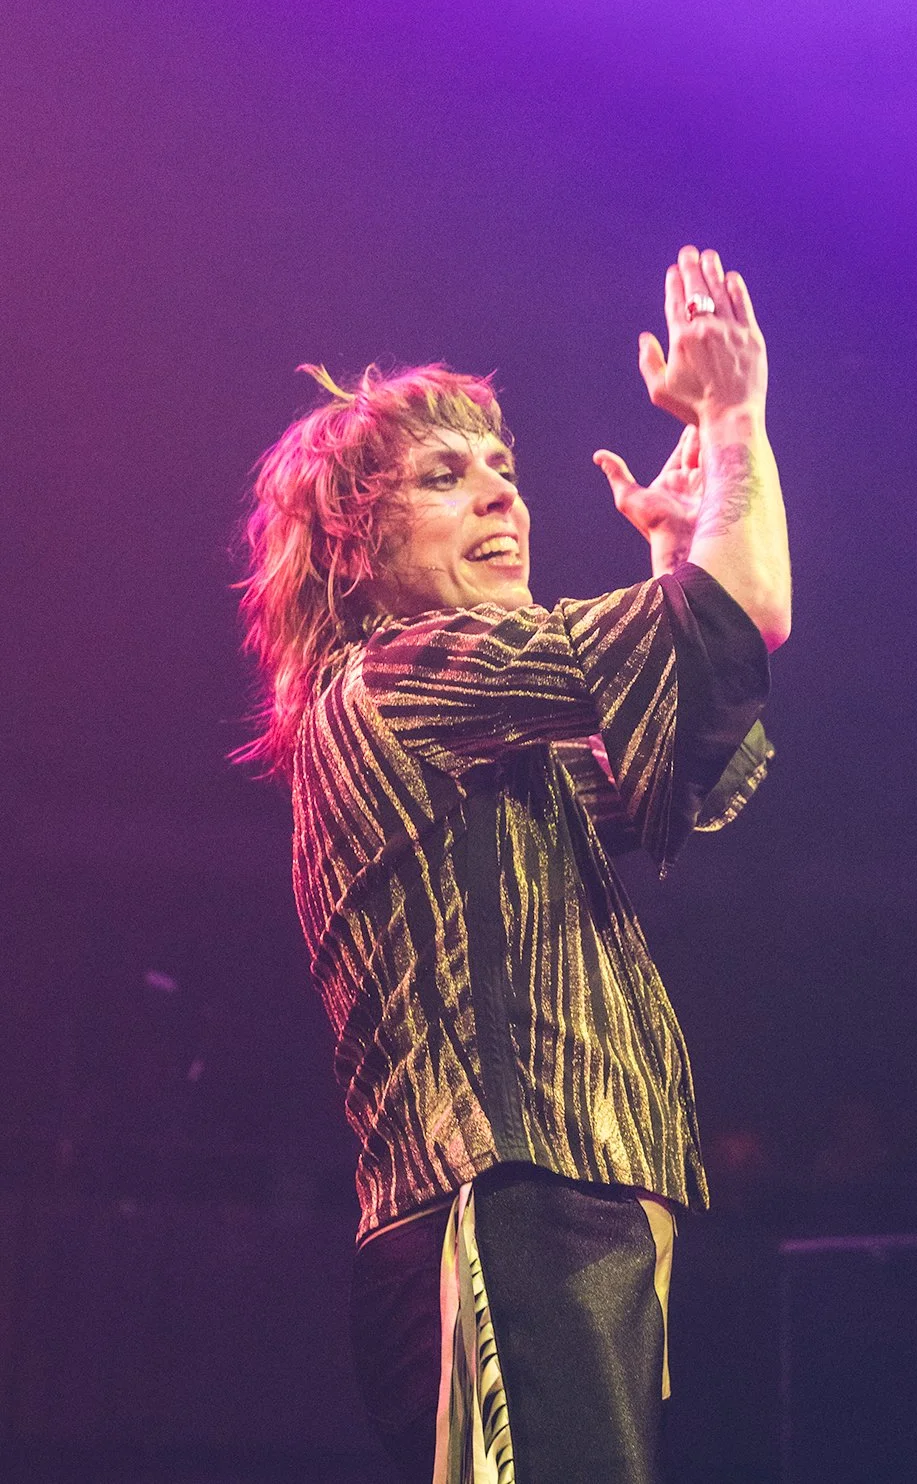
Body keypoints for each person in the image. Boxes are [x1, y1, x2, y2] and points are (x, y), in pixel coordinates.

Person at [236, 246, 791, 1484]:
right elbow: (744, 617)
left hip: (568, 1203)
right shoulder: (396, 681)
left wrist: (672, 566)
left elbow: (680, 770)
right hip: (510, 1204)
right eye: (447, 478)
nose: (503, 498)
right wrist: (735, 418)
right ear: (352, 547)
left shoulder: (483, 737)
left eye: (505, 471)